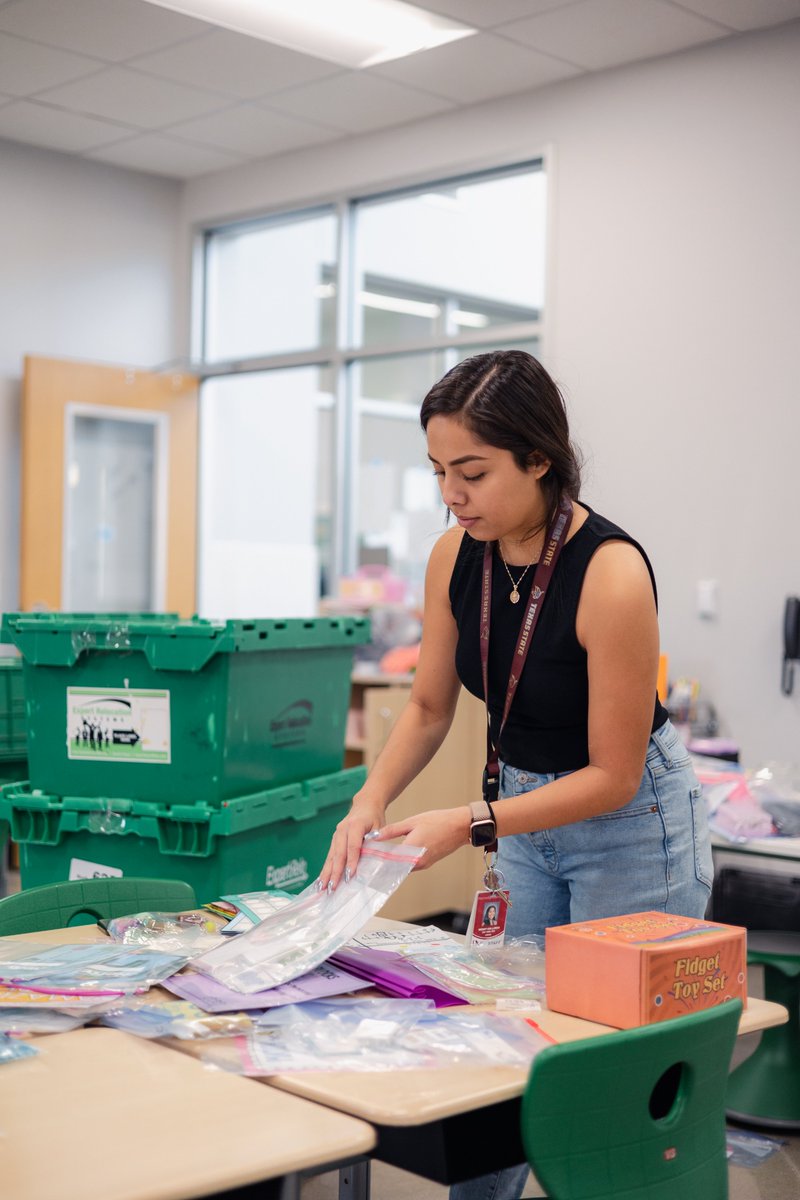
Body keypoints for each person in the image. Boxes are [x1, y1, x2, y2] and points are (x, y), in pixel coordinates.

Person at [319, 349, 713, 1200]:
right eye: (438, 473)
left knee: (610, 1071)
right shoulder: (454, 555)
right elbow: (428, 708)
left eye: (472, 472)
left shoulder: (609, 573)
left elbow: (611, 775)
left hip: (631, 821)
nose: (451, 496)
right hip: (522, 811)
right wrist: (369, 799)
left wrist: (467, 823)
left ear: (540, 459)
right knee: (500, 1044)